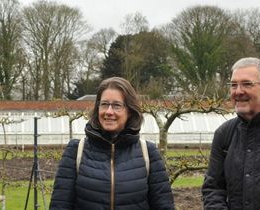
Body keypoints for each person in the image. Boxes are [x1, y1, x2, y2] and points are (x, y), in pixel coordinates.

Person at [49, 77, 174, 210]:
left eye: (116, 105)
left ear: (130, 111)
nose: (109, 112)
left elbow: (164, 206)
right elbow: (60, 205)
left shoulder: (148, 153)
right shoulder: (76, 151)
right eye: (104, 104)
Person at [202, 57, 260, 209]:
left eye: (247, 84)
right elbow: (213, 188)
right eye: (234, 85)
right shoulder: (225, 133)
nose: (238, 91)